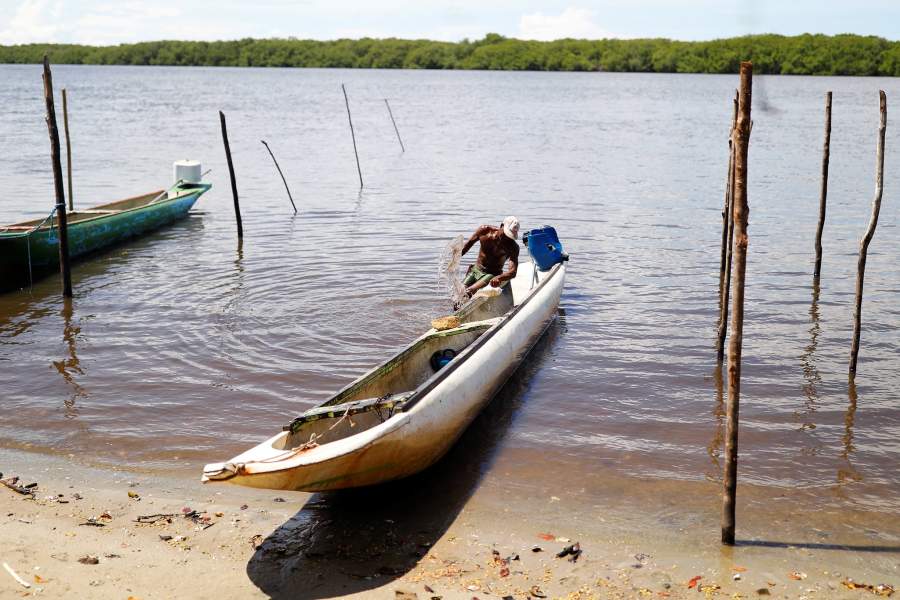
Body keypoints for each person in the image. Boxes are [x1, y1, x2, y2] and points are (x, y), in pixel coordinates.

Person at [460, 216, 520, 298]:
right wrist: (453, 259)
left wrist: (499, 278)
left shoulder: (513, 247)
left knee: (468, 292)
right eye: (506, 234)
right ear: (501, 226)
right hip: (475, 270)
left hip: (491, 275)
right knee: (459, 292)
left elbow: (513, 272)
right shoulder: (484, 231)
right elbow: (465, 247)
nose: (506, 238)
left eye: (510, 236)